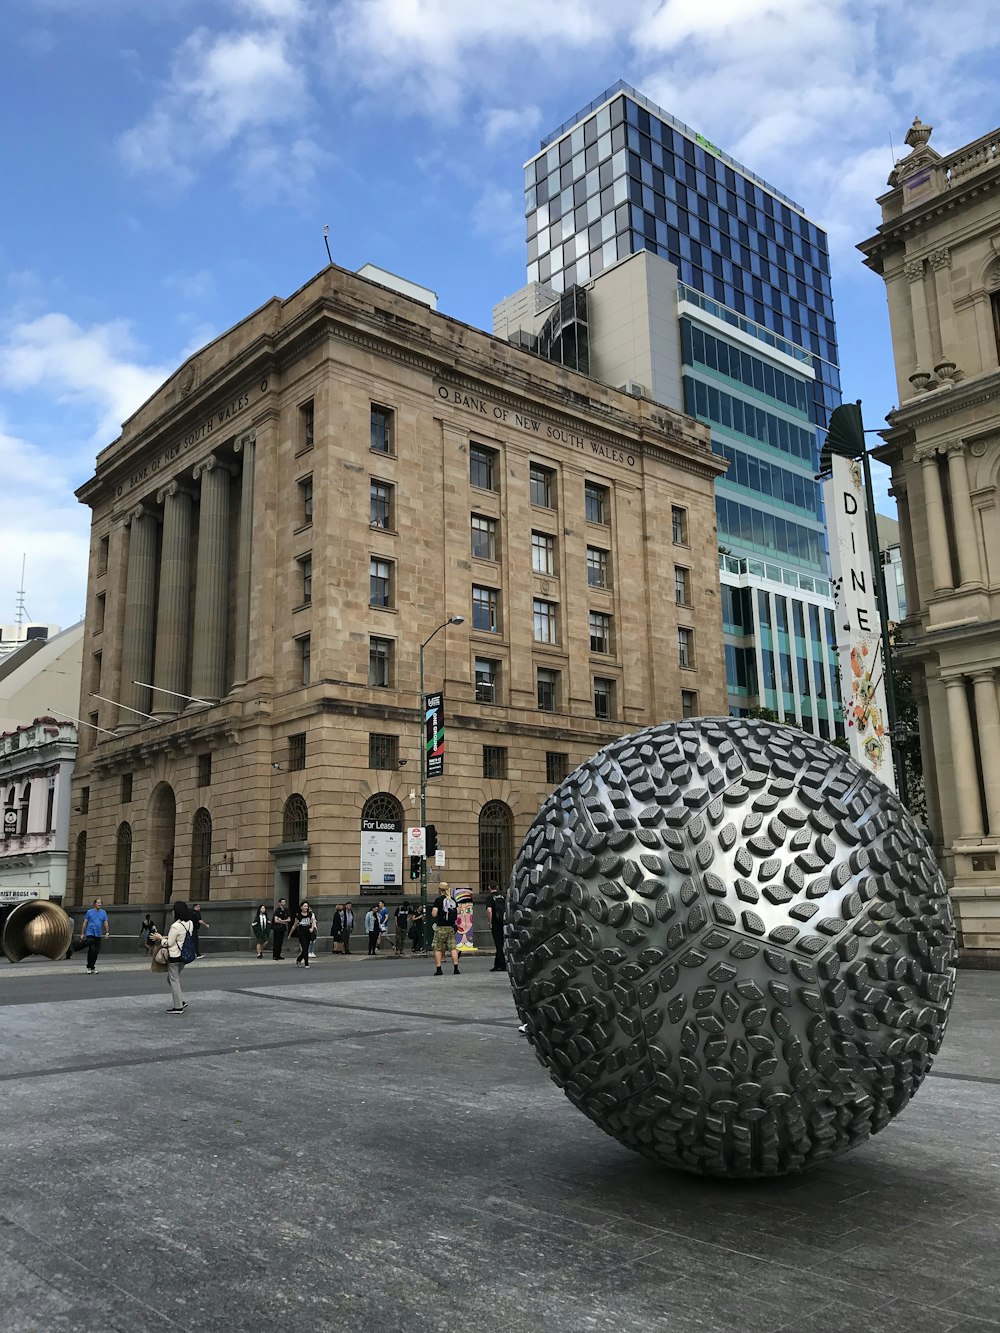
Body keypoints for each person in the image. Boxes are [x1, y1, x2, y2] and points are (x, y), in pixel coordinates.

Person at [150, 900, 194, 1014]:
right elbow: (180, 938)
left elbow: (168, 943)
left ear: (176, 912)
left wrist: (160, 938)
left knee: (173, 980)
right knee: (172, 979)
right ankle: (181, 1001)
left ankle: (178, 1007)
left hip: (174, 957)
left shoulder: (175, 926)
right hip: (184, 956)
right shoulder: (190, 923)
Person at [71, 896, 109, 974]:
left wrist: (107, 932)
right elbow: (85, 922)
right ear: (94, 904)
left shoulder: (103, 912)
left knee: (96, 952)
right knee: (92, 949)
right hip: (90, 933)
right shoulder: (89, 912)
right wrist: (82, 933)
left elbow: (105, 922)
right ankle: (89, 967)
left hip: (98, 934)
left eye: (100, 903)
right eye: (98, 903)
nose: (100, 904)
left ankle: (92, 967)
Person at [431, 882, 460, 977]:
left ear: (440, 889)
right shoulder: (452, 900)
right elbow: (458, 912)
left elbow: (434, 914)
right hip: (451, 927)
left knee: (438, 948)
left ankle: (439, 969)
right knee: (453, 948)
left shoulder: (438, 900)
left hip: (441, 927)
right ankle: (456, 968)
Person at [486, 884, 506, 973]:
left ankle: (502, 964)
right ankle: (497, 964)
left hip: (495, 923)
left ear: (489, 888)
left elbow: (489, 910)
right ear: (497, 887)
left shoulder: (490, 898)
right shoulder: (502, 897)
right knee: (502, 942)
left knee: (498, 944)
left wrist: (490, 922)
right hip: (504, 922)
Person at [293, 900, 317, 967]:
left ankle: (299, 959)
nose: (306, 907)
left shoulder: (310, 914)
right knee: (305, 948)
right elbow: (295, 925)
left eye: (307, 906)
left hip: (308, 932)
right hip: (301, 932)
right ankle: (306, 964)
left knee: (306, 948)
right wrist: (290, 934)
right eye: (304, 906)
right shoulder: (299, 916)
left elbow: (313, 921)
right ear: (301, 907)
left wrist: (312, 928)